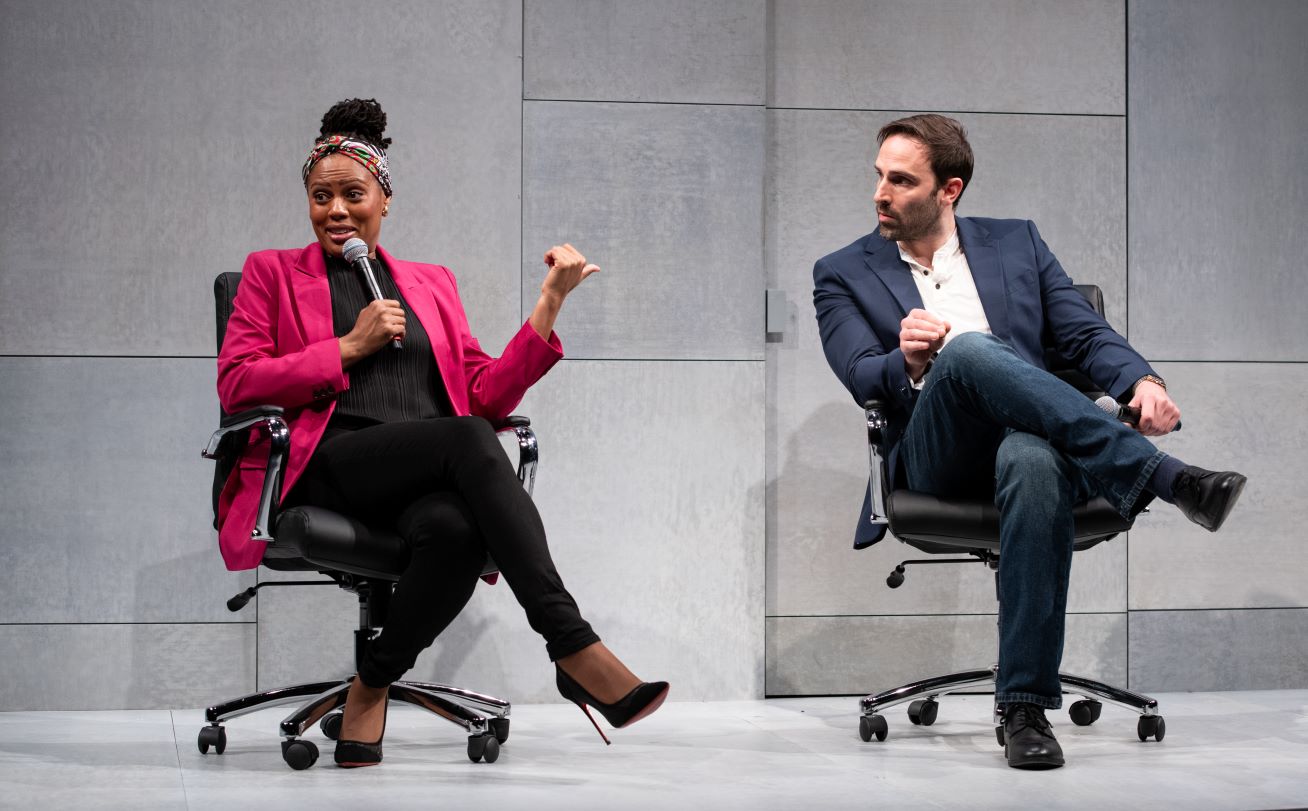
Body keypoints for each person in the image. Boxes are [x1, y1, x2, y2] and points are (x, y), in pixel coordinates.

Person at [216, 98, 668, 767]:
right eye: (320, 196)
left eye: (352, 194)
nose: (336, 211)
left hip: (423, 467)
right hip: (327, 464)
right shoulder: (271, 273)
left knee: (457, 527)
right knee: (463, 439)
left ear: (384, 200)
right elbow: (238, 383)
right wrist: (347, 347)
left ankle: (371, 685)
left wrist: (549, 305)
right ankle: (570, 642)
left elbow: (483, 393)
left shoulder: (430, 284)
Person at [812, 114, 1246, 770]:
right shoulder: (842, 271)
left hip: (1034, 440)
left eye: (901, 180)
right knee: (966, 351)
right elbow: (856, 373)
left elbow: (1083, 334)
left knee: (1032, 457)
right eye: (879, 175)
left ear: (948, 189)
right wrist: (903, 360)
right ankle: (1167, 478)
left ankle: (1024, 709)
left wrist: (1141, 380)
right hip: (937, 456)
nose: (880, 191)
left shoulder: (1017, 244)